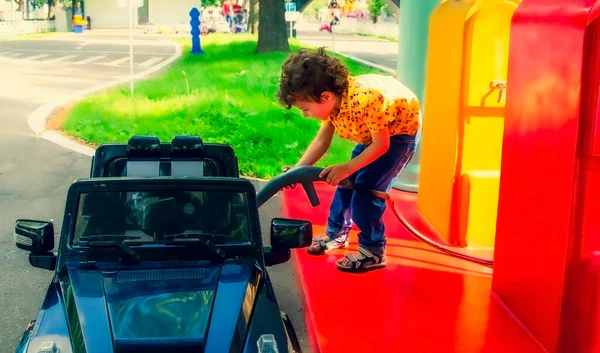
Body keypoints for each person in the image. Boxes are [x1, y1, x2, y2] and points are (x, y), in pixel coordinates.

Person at [277, 47, 421, 272]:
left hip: (398, 137)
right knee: (346, 185)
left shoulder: (366, 100)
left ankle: (373, 250)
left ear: (325, 96)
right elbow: (320, 142)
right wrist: (297, 170)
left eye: (305, 109)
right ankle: (337, 234)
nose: (305, 115)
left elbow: (382, 145)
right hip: (373, 133)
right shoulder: (334, 103)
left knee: (365, 191)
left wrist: (348, 167)